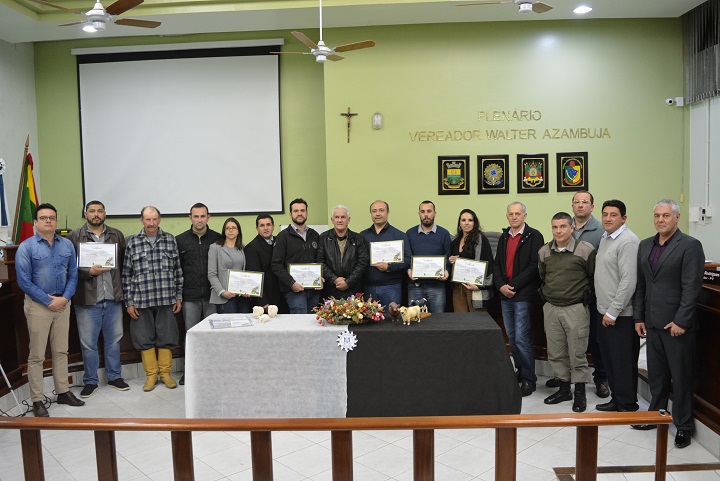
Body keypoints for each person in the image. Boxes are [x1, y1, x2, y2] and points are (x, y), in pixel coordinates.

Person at [632, 199, 705, 449]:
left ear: (676, 217)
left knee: (681, 378)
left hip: (677, 325)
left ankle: (684, 426)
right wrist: (639, 317)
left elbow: (691, 287)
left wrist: (681, 320)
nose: (660, 220)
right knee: (658, 376)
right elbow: (641, 285)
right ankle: (657, 416)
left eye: (665, 215)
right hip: (651, 323)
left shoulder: (690, 246)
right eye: (657, 216)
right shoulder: (645, 245)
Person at [16, 203, 84, 416]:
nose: (48, 221)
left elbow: (73, 275)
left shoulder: (67, 245)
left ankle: (63, 391)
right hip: (39, 307)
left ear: (56, 221)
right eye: (43, 218)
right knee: (36, 355)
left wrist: (64, 298)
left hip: (63, 305)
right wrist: (48, 301)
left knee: (61, 351)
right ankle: (37, 399)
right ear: (35, 222)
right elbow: (24, 281)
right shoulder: (26, 247)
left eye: (52, 218)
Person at [67, 200, 129, 398]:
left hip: (112, 298)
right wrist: (88, 272)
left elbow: (123, 264)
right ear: (85, 214)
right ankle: (90, 381)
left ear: (105, 214)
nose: (96, 214)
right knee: (88, 343)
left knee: (114, 340)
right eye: (92, 211)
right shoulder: (74, 237)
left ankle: (114, 377)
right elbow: (69, 269)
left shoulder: (116, 235)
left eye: (99, 211)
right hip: (87, 300)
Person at [538, 212, 596, 413]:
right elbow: (543, 276)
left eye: (563, 227)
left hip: (575, 308)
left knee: (577, 352)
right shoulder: (544, 251)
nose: (558, 231)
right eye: (555, 227)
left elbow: (591, 276)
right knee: (556, 352)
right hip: (552, 308)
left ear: (572, 228)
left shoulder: (585, 250)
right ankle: (564, 388)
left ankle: (579, 390)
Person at [122, 206, 183, 391]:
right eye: (148, 220)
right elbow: (126, 275)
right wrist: (129, 302)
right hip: (142, 300)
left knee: (167, 337)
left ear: (160, 220)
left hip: (166, 298)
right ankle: (151, 376)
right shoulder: (132, 242)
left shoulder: (170, 240)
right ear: (142, 220)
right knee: (143, 338)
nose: (151, 223)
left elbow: (177, 271)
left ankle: (165, 374)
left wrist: (178, 296)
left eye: (155, 219)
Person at [557, 190, 609, 399]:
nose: (580, 206)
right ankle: (566, 379)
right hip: (570, 296)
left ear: (592, 206)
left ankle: (601, 378)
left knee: (596, 339)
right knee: (570, 338)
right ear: (572, 206)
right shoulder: (565, 227)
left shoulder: (601, 231)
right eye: (577, 202)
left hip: (594, 294)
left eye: (585, 202)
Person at [493, 202, 544, 397]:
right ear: (507, 216)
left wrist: (512, 286)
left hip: (522, 295)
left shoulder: (534, 236)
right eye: (511, 214)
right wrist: (501, 286)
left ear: (525, 216)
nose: (514, 217)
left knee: (523, 339)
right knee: (512, 338)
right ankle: (520, 371)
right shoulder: (504, 236)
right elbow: (497, 264)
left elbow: (534, 267)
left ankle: (529, 379)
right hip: (505, 295)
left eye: (518, 214)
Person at [594, 199, 640, 413]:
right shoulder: (606, 238)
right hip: (604, 312)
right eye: (605, 214)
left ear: (623, 218)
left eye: (613, 215)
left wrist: (613, 311)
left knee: (622, 362)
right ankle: (617, 399)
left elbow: (628, 281)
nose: (608, 218)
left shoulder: (628, 241)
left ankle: (628, 404)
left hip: (620, 315)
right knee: (611, 361)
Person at [176, 203, 222, 384]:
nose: (199, 220)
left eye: (203, 216)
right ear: (190, 218)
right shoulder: (180, 240)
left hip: (213, 296)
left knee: (213, 336)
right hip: (190, 298)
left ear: (208, 217)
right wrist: (178, 296)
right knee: (191, 335)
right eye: (196, 216)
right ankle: (190, 372)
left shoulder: (218, 239)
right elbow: (176, 271)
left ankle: (212, 372)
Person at [271, 198, 321, 314]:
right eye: (296, 211)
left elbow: (320, 260)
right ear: (290, 214)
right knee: (300, 325)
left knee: (314, 322)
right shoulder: (283, 237)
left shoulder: (314, 235)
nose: (299, 213)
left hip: (314, 290)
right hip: (294, 291)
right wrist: (291, 283)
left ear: (307, 213)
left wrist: (321, 277)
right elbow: (276, 264)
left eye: (302, 210)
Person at [361, 200, 411, 308]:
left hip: (392, 287)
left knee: (391, 322)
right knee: (368, 323)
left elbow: (407, 260)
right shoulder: (362, 236)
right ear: (371, 214)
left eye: (381, 210)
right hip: (368, 287)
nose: (377, 214)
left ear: (388, 213)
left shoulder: (399, 235)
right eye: (374, 211)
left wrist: (389, 266)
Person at [405, 200, 452, 313]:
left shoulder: (444, 233)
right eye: (423, 211)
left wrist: (446, 271)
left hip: (437, 286)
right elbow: (407, 257)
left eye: (429, 211)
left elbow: (448, 257)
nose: (426, 215)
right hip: (415, 286)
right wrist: (408, 270)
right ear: (419, 214)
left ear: (435, 213)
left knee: (438, 321)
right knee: (415, 320)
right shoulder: (409, 233)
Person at [317, 205, 369, 300]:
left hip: (353, 290)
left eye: (343, 217)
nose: (339, 220)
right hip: (330, 291)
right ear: (332, 220)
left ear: (348, 220)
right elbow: (320, 262)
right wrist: (334, 279)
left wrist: (348, 282)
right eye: (336, 217)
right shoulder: (323, 238)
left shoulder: (359, 239)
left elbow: (362, 263)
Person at [448, 208, 493, 312]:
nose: (466, 223)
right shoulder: (456, 241)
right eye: (463, 220)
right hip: (458, 287)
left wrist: (480, 286)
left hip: (474, 287)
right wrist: (452, 260)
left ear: (475, 223)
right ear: (459, 223)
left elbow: (489, 264)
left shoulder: (481, 240)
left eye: (470, 220)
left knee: (476, 322)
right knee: (460, 322)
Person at [208, 218, 249, 313]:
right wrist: (222, 292)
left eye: (233, 228)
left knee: (245, 325)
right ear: (224, 231)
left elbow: (244, 271)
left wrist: (247, 290)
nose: (230, 230)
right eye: (228, 228)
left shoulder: (242, 247)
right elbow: (211, 274)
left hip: (241, 296)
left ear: (238, 231)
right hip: (224, 297)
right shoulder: (215, 247)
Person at [245, 214, 281, 310]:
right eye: (262, 225)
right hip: (265, 301)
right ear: (257, 228)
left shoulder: (281, 242)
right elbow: (254, 276)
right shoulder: (251, 248)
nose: (266, 228)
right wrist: (262, 301)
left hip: (282, 296)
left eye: (268, 225)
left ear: (273, 226)